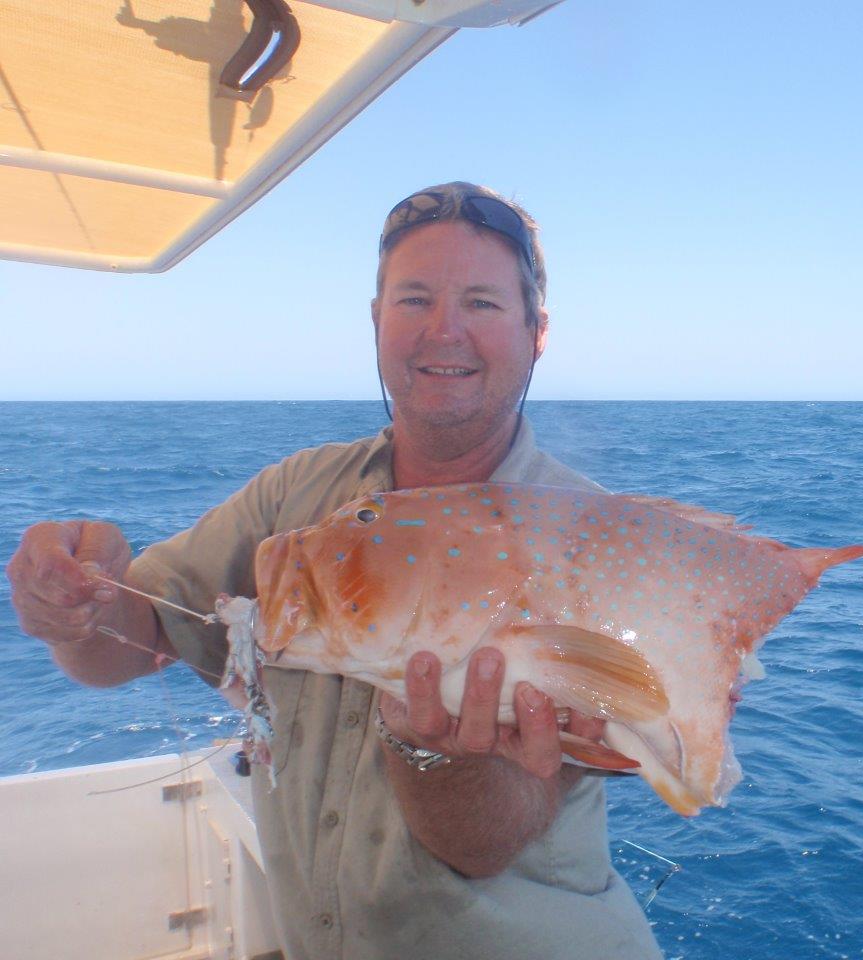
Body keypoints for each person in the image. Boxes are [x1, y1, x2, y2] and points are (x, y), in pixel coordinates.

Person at [6, 182, 664, 960]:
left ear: (536, 333)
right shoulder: (296, 498)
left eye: (482, 303)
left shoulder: (593, 545)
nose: (443, 329)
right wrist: (78, 602)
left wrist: (424, 748)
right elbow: (127, 643)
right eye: (414, 299)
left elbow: (482, 842)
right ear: (377, 320)